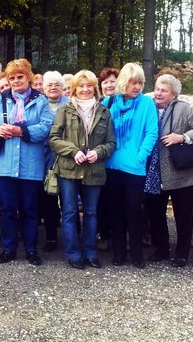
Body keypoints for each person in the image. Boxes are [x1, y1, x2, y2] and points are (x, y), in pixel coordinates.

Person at [0, 58, 54, 266]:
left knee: (30, 210)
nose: (15, 81)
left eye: (20, 76)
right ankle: (9, 248)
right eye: (11, 78)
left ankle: (31, 249)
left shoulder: (40, 100)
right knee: (7, 209)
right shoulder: (0, 99)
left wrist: (22, 131)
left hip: (30, 164)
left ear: (28, 77)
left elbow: (47, 126)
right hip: (4, 164)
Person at [49, 70, 115, 270]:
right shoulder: (64, 110)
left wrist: (99, 152)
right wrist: (73, 151)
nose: (85, 90)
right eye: (81, 86)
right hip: (69, 169)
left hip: (94, 169)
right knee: (69, 212)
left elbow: (111, 142)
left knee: (91, 212)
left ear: (94, 88)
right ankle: (73, 253)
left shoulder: (104, 111)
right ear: (75, 89)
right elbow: (53, 139)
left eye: (89, 86)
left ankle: (90, 253)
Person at [144, 74, 193, 268]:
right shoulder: (147, 107)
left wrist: (182, 137)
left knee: (184, 214)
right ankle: (161, 249)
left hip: (181, 173)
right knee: (155, 212)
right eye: (157, 88)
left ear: (174, 94)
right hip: (154, 171)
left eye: (164, 90)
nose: (158, 93)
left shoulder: (184, 109)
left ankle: (182, 252)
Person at [101, 62, 158, 268]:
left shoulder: (146, 104)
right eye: (133, 82)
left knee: (133, 210)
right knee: (115, 210)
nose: (137, 87)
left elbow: (152, 132)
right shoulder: (109, 102)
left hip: (134, 168)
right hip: (111, 165)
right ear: (124, 82)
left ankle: (137, 254)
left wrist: (140, 156)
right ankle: (118, 253)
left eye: (140, 83)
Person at [40, 70, 68, 252]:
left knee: (68, 200)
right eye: (49, 84)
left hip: (66, 158)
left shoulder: (70, 105)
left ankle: (72, 237)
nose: (53, 87)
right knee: (48, 199)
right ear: (43, 88)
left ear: (63, 87)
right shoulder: (39, 104)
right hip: (44, 158)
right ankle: (51, 238)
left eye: (57, 84)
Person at [96, 67, 119, 251]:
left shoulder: (127, 102)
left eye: (113, 81)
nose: (109, 84)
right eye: (105, 82)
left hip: (121, 159)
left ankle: (121, 237)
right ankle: (105, 235)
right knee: (102, 200)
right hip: (102, 159)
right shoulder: (99, 104)